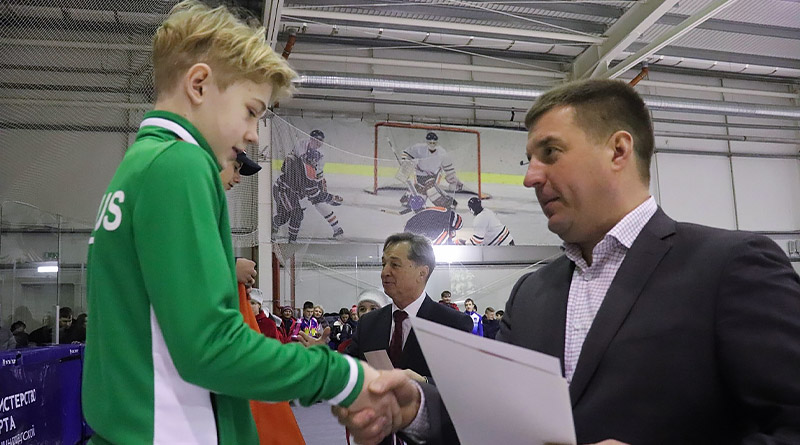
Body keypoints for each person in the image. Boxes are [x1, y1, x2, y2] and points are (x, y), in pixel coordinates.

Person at [337, 79, 800, 444]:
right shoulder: (533, 292)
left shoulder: (731, 267)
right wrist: (417, 408)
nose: (530, 177)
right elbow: (500, 416)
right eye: (529, 159)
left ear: (618, 150)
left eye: (551, 153)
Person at [82, 3, 398, 443]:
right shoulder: (181, 164)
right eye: (251, 111)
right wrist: (343, 376)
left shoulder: (139, 164)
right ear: (198, 84)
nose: (253, 133)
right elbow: (211, 346)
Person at [345, 233, 473, 444]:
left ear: (422, 272)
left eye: (395, 265)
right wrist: (324, 355)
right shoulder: (369, 323)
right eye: (383, 264)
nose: (384, 272)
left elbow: (465, 388)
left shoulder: (452, 323)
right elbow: (351, 369)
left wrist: (423, 383)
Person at [272, 141, 344, 242]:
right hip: (282, 190)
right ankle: (291, 241)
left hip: (290, 192)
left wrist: (328, 197)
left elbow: (314, 192)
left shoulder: (305, 167)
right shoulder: (305, 171)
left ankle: (274, 226)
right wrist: (331, 198)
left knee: (285, 217)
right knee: (296, 214)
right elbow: (315, 194)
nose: (315, 163)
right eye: (314, 161)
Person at [291, 129, 345, 238]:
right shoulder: (301, 144)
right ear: (311, 139)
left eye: (321, 141)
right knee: (298, 204)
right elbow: (294, 159)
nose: (319, 143)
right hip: (297, 178)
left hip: (312, 179)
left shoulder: (321, 154)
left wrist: (318, 187)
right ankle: (329, 198)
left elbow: (317, 174)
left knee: (319, 203)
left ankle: (337, 229)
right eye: (317, 140)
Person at [400, 132, 463, 210]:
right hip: (419, 176)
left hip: (432, 177)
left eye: (434, 143)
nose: (432, 145)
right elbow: (406, 153)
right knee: (417, 199)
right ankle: (408, 197)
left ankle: (449, 202)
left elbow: (448, 168)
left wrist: (454, 181)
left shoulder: (441, 152)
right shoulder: (419, 148)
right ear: (427, 142)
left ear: (437, 142)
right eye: (430, 143)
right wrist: (405, 162)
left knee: (431, 191)